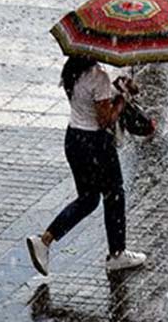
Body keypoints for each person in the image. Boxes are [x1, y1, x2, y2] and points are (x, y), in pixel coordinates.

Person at [26, 56, 147, 276]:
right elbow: (105, 120)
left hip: (74, 139)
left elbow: (87, 101)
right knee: (114, 194)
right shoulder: (97, 76)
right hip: (95, 144)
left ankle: (44, 241)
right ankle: (117, 254)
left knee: (89, 198)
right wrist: (122, 98)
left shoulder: (72, 70)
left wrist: (118, 88)